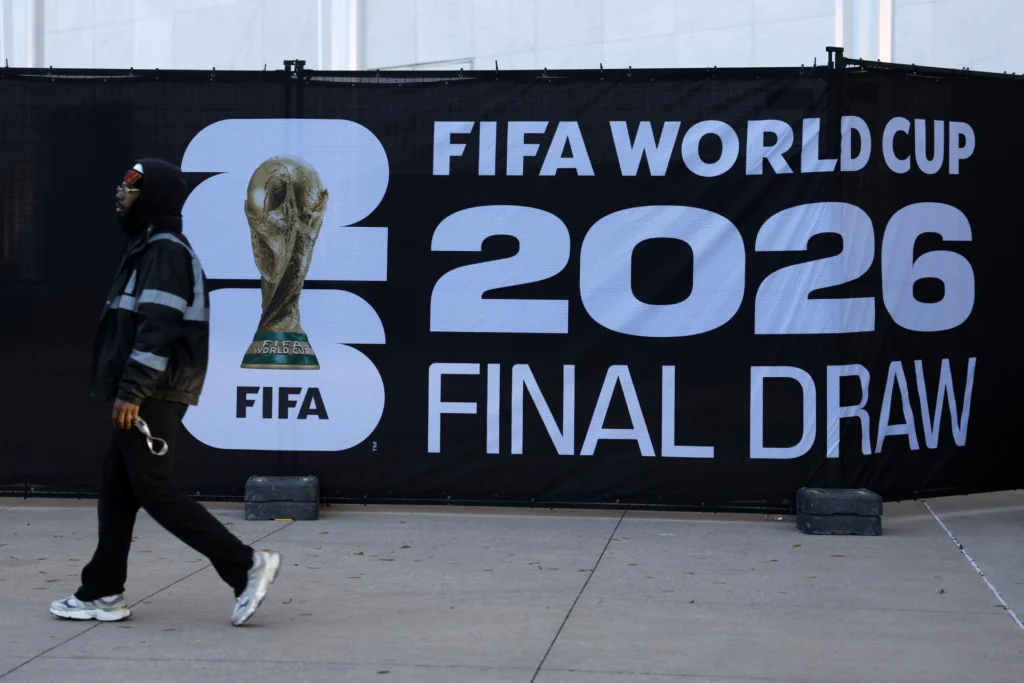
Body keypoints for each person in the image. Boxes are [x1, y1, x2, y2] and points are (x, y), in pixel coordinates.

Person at [49, 159, 281, 626]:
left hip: (153, 391)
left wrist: (133, 391)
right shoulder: (147, 248)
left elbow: (157, 329)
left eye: (132, 187)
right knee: (117, 490)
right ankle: (101, 590)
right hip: (146, 389)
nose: (120, 192)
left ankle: (245, 566)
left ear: (152, 198)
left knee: (155, 491)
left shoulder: (165, 252)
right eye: (121, 183)